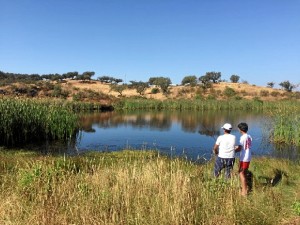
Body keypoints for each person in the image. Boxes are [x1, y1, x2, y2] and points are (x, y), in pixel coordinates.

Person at [235, 122, 252, 196]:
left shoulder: (242, 137)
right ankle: (245, 188)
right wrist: (237, 147)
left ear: (241, 130)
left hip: (244, 158)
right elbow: (244, 146)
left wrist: (232, 150)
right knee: (244, 172)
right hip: (248, 156)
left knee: (241, 173)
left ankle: (244, 192)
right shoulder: (249, 136)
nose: (238, 130)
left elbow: (240, 148)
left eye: (239, 128)